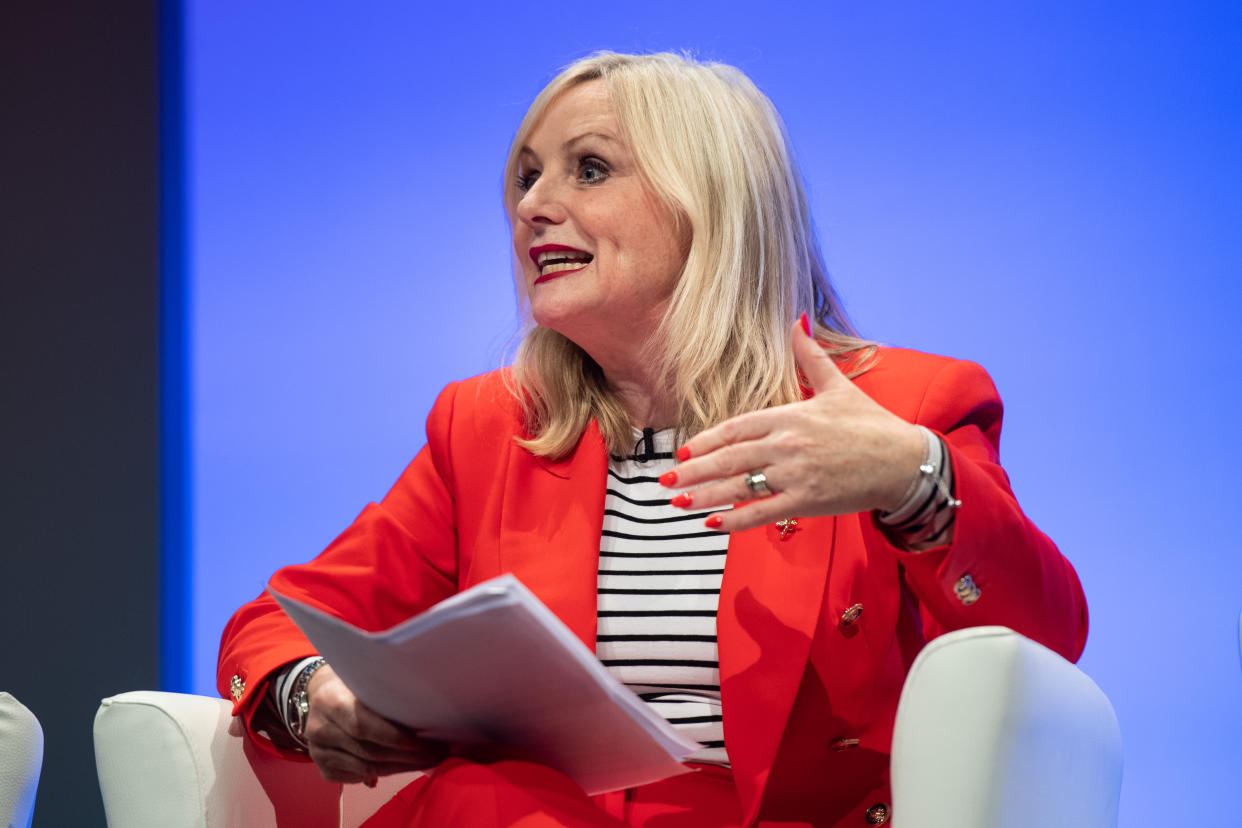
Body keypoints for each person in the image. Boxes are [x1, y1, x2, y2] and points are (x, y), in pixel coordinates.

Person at [218, 51, 1087, 827]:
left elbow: (1044, 644)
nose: (534, 207)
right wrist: (313, 695)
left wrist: (912, 479)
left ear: (710, 201)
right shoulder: (489, 429)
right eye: (525, 179)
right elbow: (278, 622)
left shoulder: (900, 405)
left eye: (589, 169)